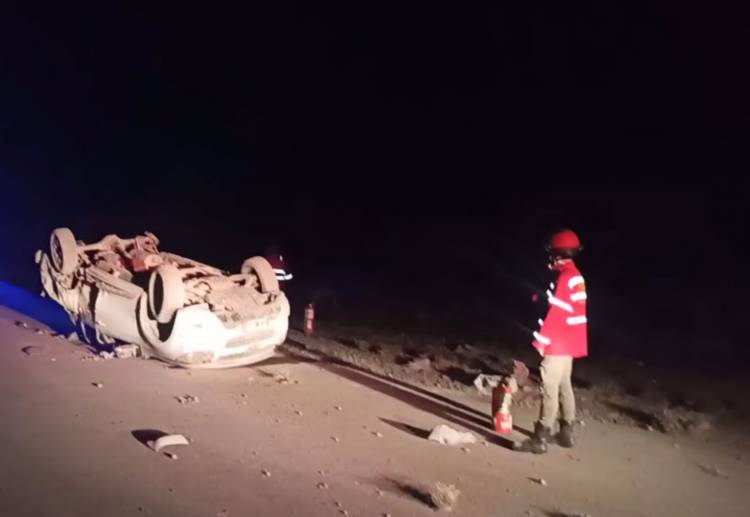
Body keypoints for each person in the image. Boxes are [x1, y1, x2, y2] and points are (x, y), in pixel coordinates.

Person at [523, 229, 588, 454]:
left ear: (557, 253)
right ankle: (566, 432)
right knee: (564, 385)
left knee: (549, 388)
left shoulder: (565, 277)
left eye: (551, 253)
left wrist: (541, 341)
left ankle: (540, 437)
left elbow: (557, 314)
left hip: (558, 342)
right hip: (570, 342)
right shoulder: (576, 276)